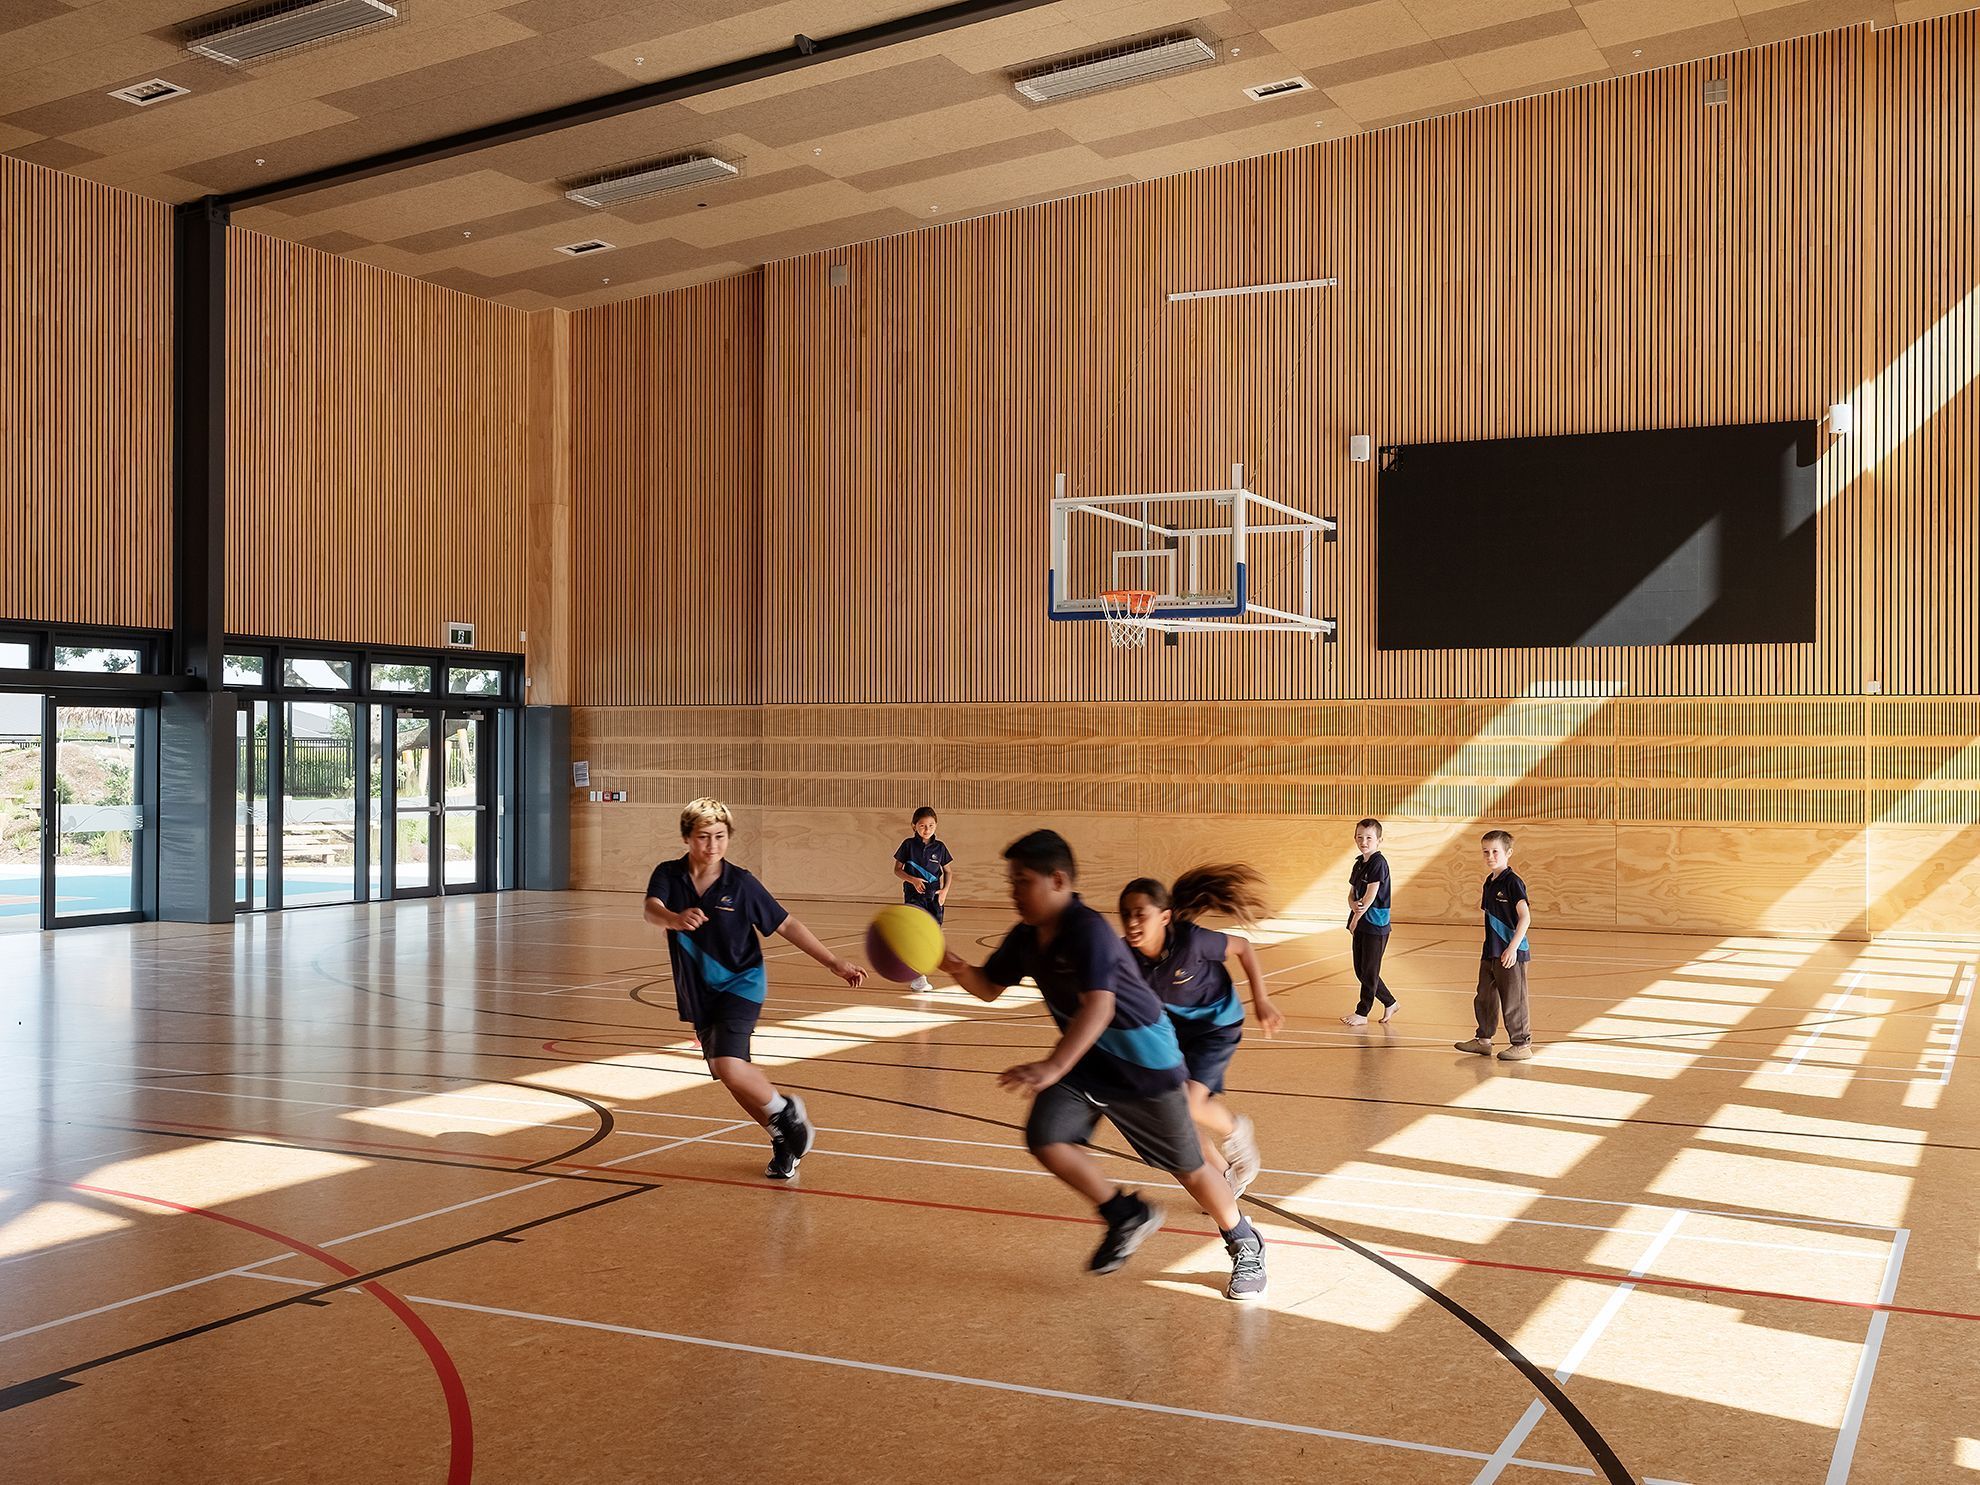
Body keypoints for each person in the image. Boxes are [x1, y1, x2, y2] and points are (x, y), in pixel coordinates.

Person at [939, 829, 1267, 1300]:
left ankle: (1245, 1241)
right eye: (1010, 881)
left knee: (1190, 1168)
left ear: (1058, 880)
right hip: (1089, 1062)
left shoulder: (1086, 929)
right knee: (1046, 1137)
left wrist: (1052, 1067)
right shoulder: (1026, 937)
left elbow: (1100, 1006)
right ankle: (1125, 1214)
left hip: (1144, 1066)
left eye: (1022, 881)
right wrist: (950, 964)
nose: (1013, 892)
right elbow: (990, 986)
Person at [644, 796, 866, 1177]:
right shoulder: (669, 874)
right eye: (703, 837)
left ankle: (787, 1113)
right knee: (731, 1075)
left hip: (741, 983)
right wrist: (673, 918)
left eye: (720, 836)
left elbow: (787, 924)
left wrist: (833, 962)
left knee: (730, 1067)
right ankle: (784, 1138)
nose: (712, 845)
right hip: (699, 992)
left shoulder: (741, 883)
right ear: (686, 838)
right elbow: (651, 908)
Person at [1117, 865, 1281, 1196]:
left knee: (1191, 1104)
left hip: (1217, 1025)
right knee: (1176, 1114)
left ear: (1164, 917)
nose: (1132, 922)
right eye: (1125, 915)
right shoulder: (1124, 955)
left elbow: (1243, 948)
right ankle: (1225, 1179)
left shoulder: (1191, 941)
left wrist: (1261, 1001)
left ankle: (1238, 1133)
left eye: (1140, 914)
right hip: (1174, 1029)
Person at [1454, 829, 1534, 1062]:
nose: (1490, 856)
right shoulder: (1489, 883)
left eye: (1495, 851)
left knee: (1513, 999)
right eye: (1485, 852)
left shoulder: (1513, 882)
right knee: (1485, 996)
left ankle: (1521, 1044)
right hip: (1491, 950)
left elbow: (1525, 917)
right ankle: (1483, 1041)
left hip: (1512, 952)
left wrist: (1512, 948)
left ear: (1508, 853)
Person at [1342, 817, 1398, 1025]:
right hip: (1360, 920)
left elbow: (1370, 895)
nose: (1363, 841)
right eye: (1359, 837)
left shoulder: (1378, 863)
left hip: (1375, 923)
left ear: (1379, 840)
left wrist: (1356, 918)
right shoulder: (1358, 864)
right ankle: (1390, 1002)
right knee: (1361, 970)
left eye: (1369, 837)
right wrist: (1351, 906)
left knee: (1370, 970)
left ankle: (1362, 1013)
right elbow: (1352, 893)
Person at [892, 805, 954, 992]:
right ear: (914, 826)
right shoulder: (908, 846)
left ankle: (917, 971)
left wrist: (944, 891)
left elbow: (948, 872)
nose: (927, 829)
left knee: (932, 936)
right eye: (922, 826)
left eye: (931, 825)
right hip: (914, 897)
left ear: (936, 826)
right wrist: (912, 880)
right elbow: (897, 870)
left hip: (934, 898)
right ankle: (918, 977)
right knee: (917, 934)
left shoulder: (940, 847)